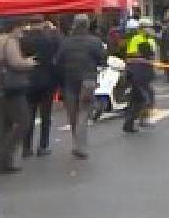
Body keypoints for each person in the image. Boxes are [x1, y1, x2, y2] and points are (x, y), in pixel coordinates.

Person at [57, 14, 107, 153]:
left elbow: (58, 61)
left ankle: (76, 142)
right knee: (84, 112)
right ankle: (80, 145)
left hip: (69, 81)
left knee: (73, 113)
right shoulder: (95, 41)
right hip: (88, 80)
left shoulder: (66, 42)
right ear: (87, 25)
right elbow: (103, 60)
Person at [0, 20, 36, 174]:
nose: (22, 32)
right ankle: (5, 154)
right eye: (21, 28)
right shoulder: (10, 42)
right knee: (23, 121)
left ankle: (3, 161)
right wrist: (29, 63)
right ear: (14, 29)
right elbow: (16, 62)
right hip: (12, 88)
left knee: (5, 124)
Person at [20, 18, 61, 158]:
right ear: (43, 24)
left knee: (28, 114)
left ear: (30, 24)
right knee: (45, 115)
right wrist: (53, 30)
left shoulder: (24, 40)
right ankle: (43, 146)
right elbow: (59, 48)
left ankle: (26, 147)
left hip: (29, 80)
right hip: (48, 80)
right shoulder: (50, 39)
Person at [122, 18, 157, 133]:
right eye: (148, 27)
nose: (150, 29)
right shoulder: (136, 39)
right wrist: (142, 58)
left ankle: (133, 122)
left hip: (146, 73)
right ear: (142, 28)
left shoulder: (151, 40)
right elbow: (130, 56)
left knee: (141, 98)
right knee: (142, 98)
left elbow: (152, 56)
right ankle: (132, 122)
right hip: (137, 73)